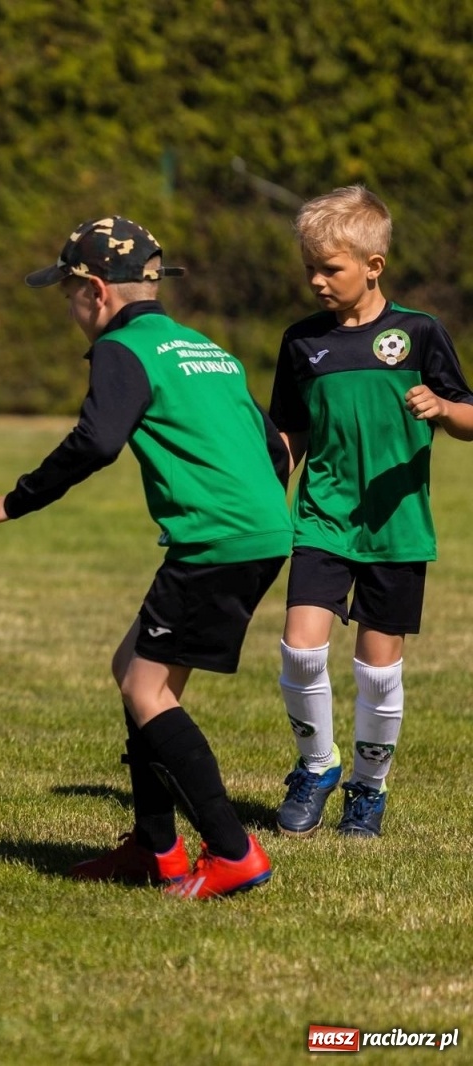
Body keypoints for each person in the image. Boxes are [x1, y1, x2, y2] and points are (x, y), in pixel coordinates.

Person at [0, 217, 293, 900]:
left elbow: (96, 442)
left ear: (95, 290)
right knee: (135, 672)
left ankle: (233, 851)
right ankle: (157, 845)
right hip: (258, 530)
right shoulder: (203, 346)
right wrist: (258, 511)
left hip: (218, 539)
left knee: (145, 691)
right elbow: (275, 447)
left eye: (67, 295)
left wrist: (17, 499)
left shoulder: (124, 349)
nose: (68, 309)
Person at [269, 186, 473, 839]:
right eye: (310, 268)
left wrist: (443, 410)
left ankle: (368, 787)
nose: (317, 280)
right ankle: (316, 766)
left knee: (378, 670)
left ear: (373, 265)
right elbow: (290, 432)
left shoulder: (419, 333)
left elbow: (469, 414)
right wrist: (263, 482)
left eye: (331, 268)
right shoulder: (301, 342)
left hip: (396, 524)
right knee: (300, 651)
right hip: (324, 516)